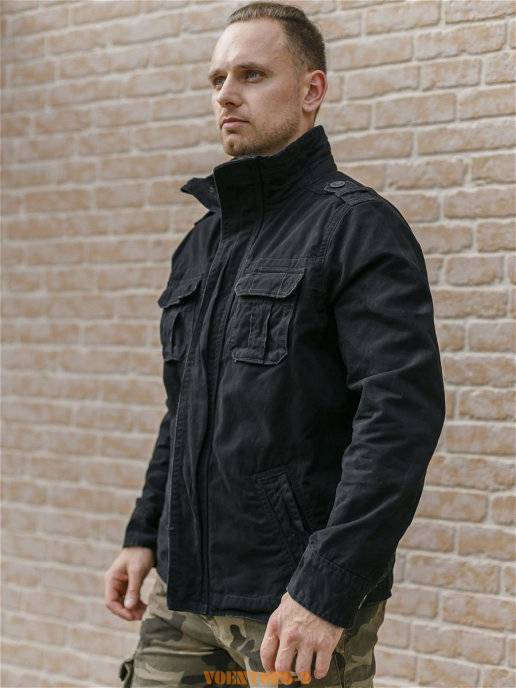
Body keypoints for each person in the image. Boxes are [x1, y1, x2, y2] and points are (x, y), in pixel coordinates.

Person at [104, 2, 446, 686]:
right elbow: (184, 410)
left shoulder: (357, 228)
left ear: (312, 91)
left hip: (289, 607)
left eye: (252, 74)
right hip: (184, 592)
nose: (226, 94)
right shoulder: (202, 242)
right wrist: (145, 532)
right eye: (217, 79)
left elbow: (399, 420)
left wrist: (327, 587)